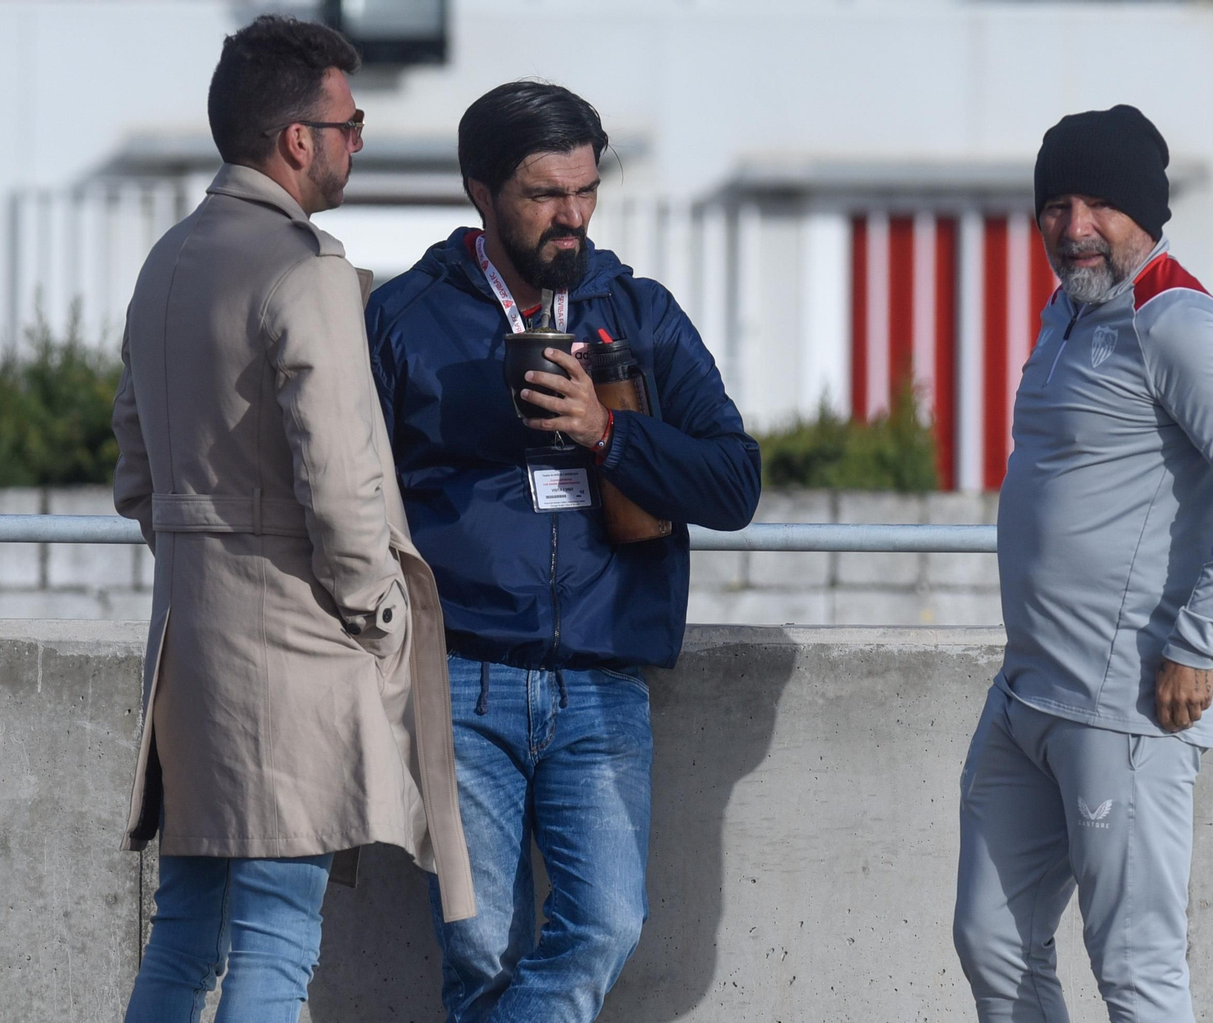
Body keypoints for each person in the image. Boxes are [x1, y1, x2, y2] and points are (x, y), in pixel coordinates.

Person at [366, 81, 760, 1023]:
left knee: (607, 926)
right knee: (477, 949)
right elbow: (353, 500)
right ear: (481, 191)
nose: (571, 217)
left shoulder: (642, 313)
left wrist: (608, 434)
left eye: (585, 192)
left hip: (602, 679)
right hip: (458, 678)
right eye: (545, 195)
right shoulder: (405, 318)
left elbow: (734, 482)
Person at [111, 16, 473, 1023]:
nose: (359, 140)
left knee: (183, 945)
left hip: (189, 655)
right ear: (297, 139)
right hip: (296, 655)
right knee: (276, 945)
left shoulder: (166, 264)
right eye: (349, 121)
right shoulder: (305, 269)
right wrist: (379, 617)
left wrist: (206, 556)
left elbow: (135, 472)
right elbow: (344, 479)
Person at [952, 104, 1213, 1023]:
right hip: (1029, 695)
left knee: (1136, 971)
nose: (1076, 227)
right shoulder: (1068, 311)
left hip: (1127, 705)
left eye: (1102, 203)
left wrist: (1201, 639)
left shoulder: (1173, 317)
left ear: (1147, 215)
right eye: (1057, 203)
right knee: (991, 940)